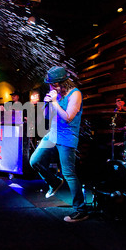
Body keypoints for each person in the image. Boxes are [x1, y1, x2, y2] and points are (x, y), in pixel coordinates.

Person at [30, 66, 87, 222]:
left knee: (68, 173)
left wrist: (55, 102)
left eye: (52, 84)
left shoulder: (75, 94)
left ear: (61, 82)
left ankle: (81, 209)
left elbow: (68, 117)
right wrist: (47, 102)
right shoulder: (56, 94)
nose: (51, 87)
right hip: (52, 135)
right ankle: (54, 182)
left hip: (67, 137)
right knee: (34, 161)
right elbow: (46, 116)